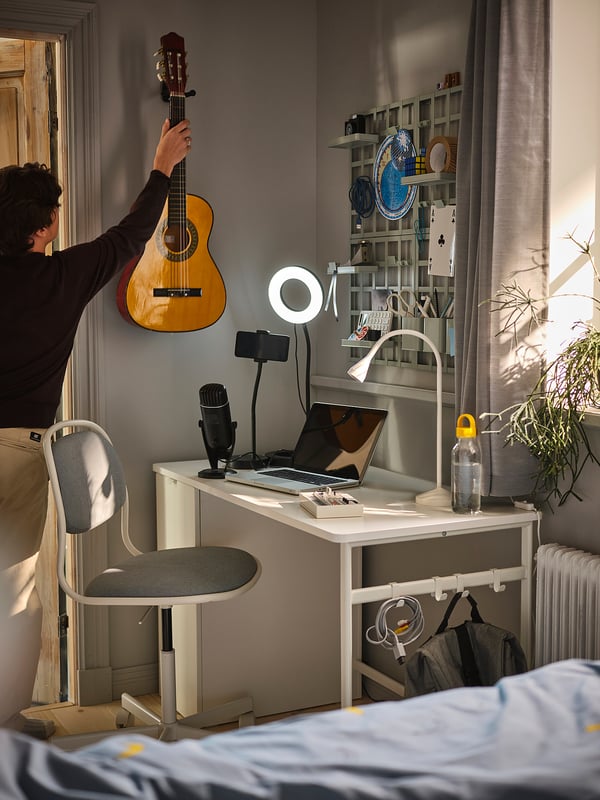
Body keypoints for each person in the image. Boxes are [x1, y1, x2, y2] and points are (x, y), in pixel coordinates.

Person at [0, 117, 192, 738]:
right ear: (46, 226)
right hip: (20, 453)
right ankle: (5, 719)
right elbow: (131, 234)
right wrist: (161, 166)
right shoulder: (63, 276)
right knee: (14, 594)